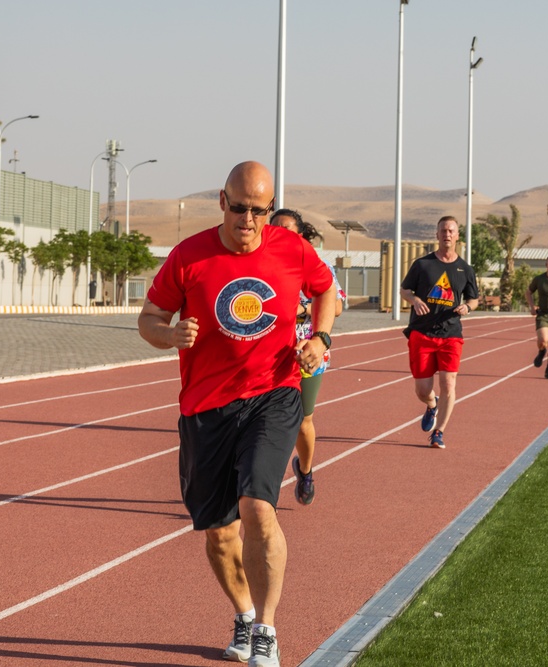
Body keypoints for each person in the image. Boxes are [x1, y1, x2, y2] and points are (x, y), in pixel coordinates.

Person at [137, 161, 336, 667]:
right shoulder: (189, 256)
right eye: (241, 207)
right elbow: (149, 318)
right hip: (206, 408)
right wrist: (168, 335)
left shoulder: (292, 248)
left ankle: (266, 628)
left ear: (270, 210)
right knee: (220, 532)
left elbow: (325, 289)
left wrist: (320, 336)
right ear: (223, 202)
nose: (249, 219)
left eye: (260, 210)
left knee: (258, 508)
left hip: (274, 393)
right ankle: (244, 614)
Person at [269, 208, 346, 506]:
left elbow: (336, 307)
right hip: (272, 353)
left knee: (303, 420)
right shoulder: (260, 263)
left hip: (308, 354)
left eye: (288, 229)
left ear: (300, 235)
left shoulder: (319, 264)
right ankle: (261, 489)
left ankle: (306, 470)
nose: (281, 234)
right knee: (269, 422)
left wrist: (302, 311)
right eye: (275, 228)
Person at [399, 216, 479, 449]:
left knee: (449, 383)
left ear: (457, 236)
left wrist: (468, 307)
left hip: (451, 333)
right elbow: (404, 290)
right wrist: (414, 300)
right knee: (423, 389)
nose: (447, 234)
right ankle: (432, 405)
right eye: (443, 230)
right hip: (422, 333)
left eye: (451, 231)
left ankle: (439, 432)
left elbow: (474, 298)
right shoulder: (423, 265)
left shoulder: (465, 269)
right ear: (437, 234)